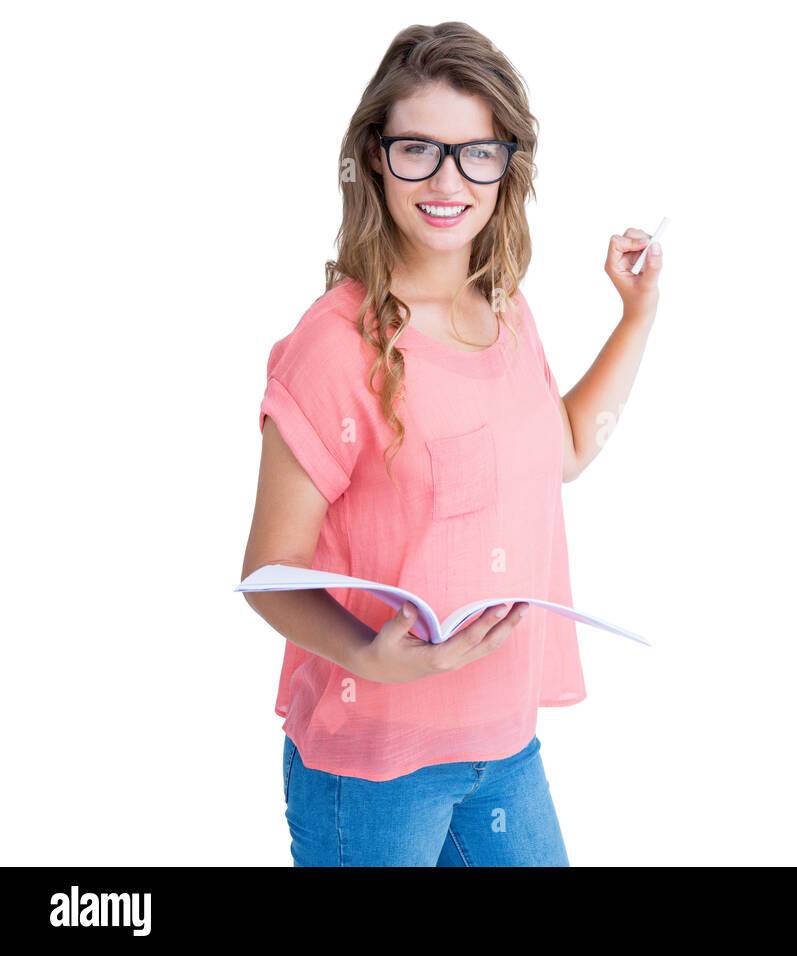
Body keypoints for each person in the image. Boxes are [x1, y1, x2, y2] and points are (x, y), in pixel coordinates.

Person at [240, 21, 662, 867]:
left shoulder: (502, 308)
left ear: (508, 168)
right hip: (373, 771)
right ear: (374, 158)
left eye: (476, 153)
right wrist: (369, 656)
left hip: (505, 752)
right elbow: (267, 573)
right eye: (418, 150)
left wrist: (637, 314)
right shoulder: (332, 346)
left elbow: (567, 449)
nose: (447, 180)